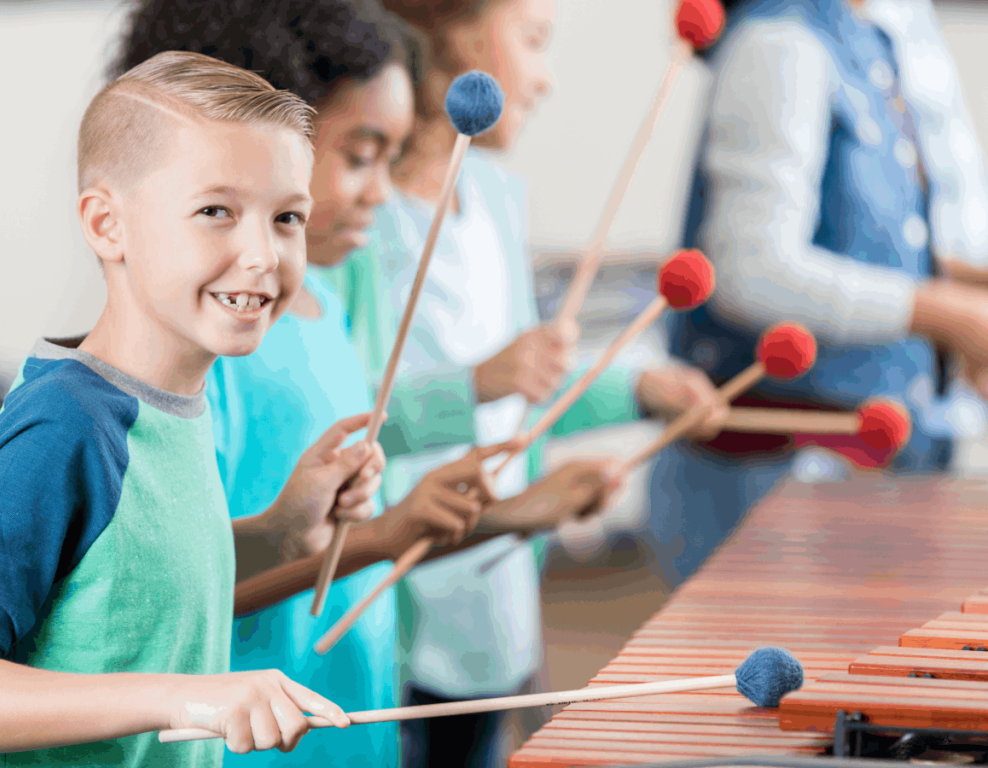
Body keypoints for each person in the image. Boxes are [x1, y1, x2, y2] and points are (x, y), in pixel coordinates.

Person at [113, 2, 624, 765]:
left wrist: (513, 513)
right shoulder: (194, 356)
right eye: (359, 155)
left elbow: (353, 512)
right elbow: (177, 598)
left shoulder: (321, 308)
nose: (381, 193)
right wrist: (386, 534)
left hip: (354, 723)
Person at [322, 0, 731, 763]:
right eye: (535, 42)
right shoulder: (354, 223)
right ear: (454, 32)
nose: (545, 79)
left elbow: (522, 396)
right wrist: (474, 383)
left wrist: (638, 393)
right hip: (389, 601)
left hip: (498, 591)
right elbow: (341, 425)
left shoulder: (499, 201)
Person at [0, 51, 388, 765]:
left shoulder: (178, 404)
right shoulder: (64, 428)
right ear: (107, 226)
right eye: (216, 211)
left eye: (287, 217)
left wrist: (282, 531)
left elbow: (127, 595)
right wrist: (183, 698)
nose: (262, 254)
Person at [650, 0, 988, 587]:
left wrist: (963, 289)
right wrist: (950, 315)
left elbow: (867, 242)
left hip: (864, 474)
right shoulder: (781, 42)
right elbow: (750, 270)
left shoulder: (867, 38)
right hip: (768, 484)